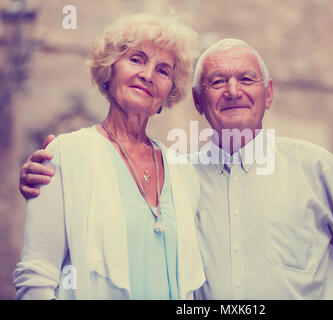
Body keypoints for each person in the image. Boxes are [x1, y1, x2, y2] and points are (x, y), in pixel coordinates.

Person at [19, 38, 333, 300]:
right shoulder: (178, 177)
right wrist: (52, 176)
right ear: (197, 100)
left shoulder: (313, 165)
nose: (232, 91)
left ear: (269, 94)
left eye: (247, 79)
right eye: (217, 81)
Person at [13, 13, 205, 300]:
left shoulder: (183, 172)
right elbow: (36, 279)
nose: (148, 75)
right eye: (137, 59)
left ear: (169, 92)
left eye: (163, 70)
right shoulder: (65, 154)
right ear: (109, 70)